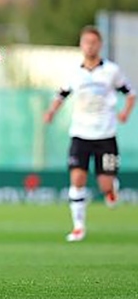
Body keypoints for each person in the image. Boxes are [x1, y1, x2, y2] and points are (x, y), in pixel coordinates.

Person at [44, 25, 135, 242]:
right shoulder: (75, 73)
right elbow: (62, 94)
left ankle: (111, 189)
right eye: (86, 42)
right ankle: (78, 227)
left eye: (94, 42)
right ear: (81, 45)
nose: (90, 46)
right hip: (80, 134)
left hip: (105, 135)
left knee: (104, 184)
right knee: (77, 178)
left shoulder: (111, 71)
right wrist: (51, 112)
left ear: (99, 45)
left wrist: (124, 113)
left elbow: (130, 93)